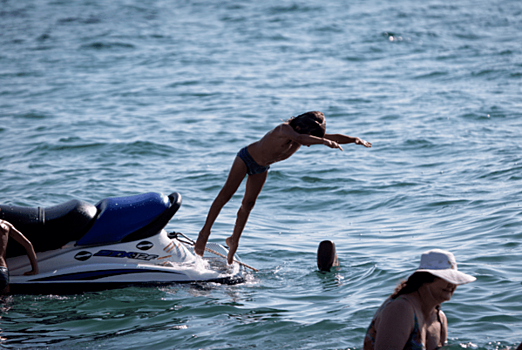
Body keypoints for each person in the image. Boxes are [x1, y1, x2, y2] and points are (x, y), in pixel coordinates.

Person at [194, 111, 372, 264]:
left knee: (248, 204)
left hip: (261, 167)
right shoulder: (284, 129)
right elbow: (302, 138)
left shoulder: (301, 137)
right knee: (225, 196)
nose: (310, 143)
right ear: (302, 127)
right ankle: (204, 234)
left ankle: (234, 241)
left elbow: (330, 137)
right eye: (312, 137)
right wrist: (324, 143)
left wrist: (355, 140)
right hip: (246, 158)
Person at [364, 249, 476, 350]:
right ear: (426, 279)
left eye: (454, 279)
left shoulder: (440, 318)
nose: (452, 284)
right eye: (446, 278)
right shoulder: (401, 309)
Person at [0, 219, 39, 294]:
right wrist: (35, 269)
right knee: (5, 301)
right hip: (2, 270)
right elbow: (28, 244)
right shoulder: (6, 225)